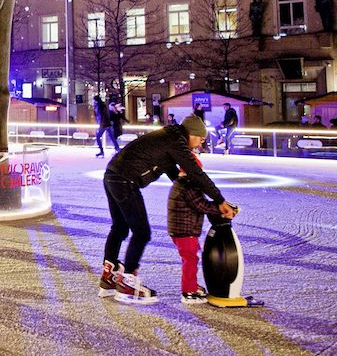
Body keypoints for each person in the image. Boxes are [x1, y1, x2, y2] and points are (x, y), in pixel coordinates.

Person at [97, 114, 235, 304]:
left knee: (120, 227)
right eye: (200, 140)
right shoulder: (176, 141)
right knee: (142, 232)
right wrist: (219, 200)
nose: (199, 145)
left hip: (112, 174)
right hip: (124, 180)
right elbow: (195, 172)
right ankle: (128, 280)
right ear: (192, 134)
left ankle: (109, 276)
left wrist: (189, 192)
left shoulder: (168, 137)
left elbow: (176, 174)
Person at [167, 152, 225, 304]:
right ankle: (188, 291)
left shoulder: (181, 182)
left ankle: (191, 284)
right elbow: (201, 205)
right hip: (185, 230)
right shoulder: (188, 185)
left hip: (181, 229)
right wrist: (220, 209)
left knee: (191, 257)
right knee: (190, 259)